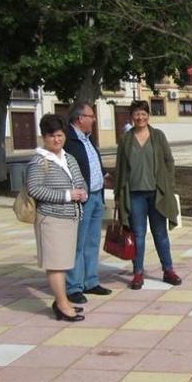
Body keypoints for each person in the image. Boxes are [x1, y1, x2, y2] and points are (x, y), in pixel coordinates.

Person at [114, 100, 182, 289]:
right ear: (132, 116)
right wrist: (118, 195)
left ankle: (168, 270)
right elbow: (120, 167)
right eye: (136, 114)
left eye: (143, 114)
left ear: (148, 115)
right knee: (138, 235)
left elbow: (169, 162)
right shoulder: (126, 139)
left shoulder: (158, 136)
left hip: (157, 193)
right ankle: (138, 272)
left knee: (160, 234)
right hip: (134, 195)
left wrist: (168, 186)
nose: (140, 117)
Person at [26, 114, 87, 322]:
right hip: (51, 218)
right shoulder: (39, 161)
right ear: (44, 137)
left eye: (60, 135)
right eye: (52, 136)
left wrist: (83, 192)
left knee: (64, 262)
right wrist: (67, 195)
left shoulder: (68, 158)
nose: (57, 140)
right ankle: (61, 305)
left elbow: (79, 180)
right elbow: (35, 189)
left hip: (70, 217)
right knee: (56, 264)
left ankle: (63, 301)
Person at [64, 102, 111, 305]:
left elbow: (92, 164)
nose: (94, 119)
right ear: (80, 118)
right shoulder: (68, 140)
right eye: (91, 116)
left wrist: (103, 176)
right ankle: (73, 286)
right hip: (80, 201)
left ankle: (90, 281)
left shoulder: (88, 139)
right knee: (77, 244)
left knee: (92, 242)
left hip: (96, 197)